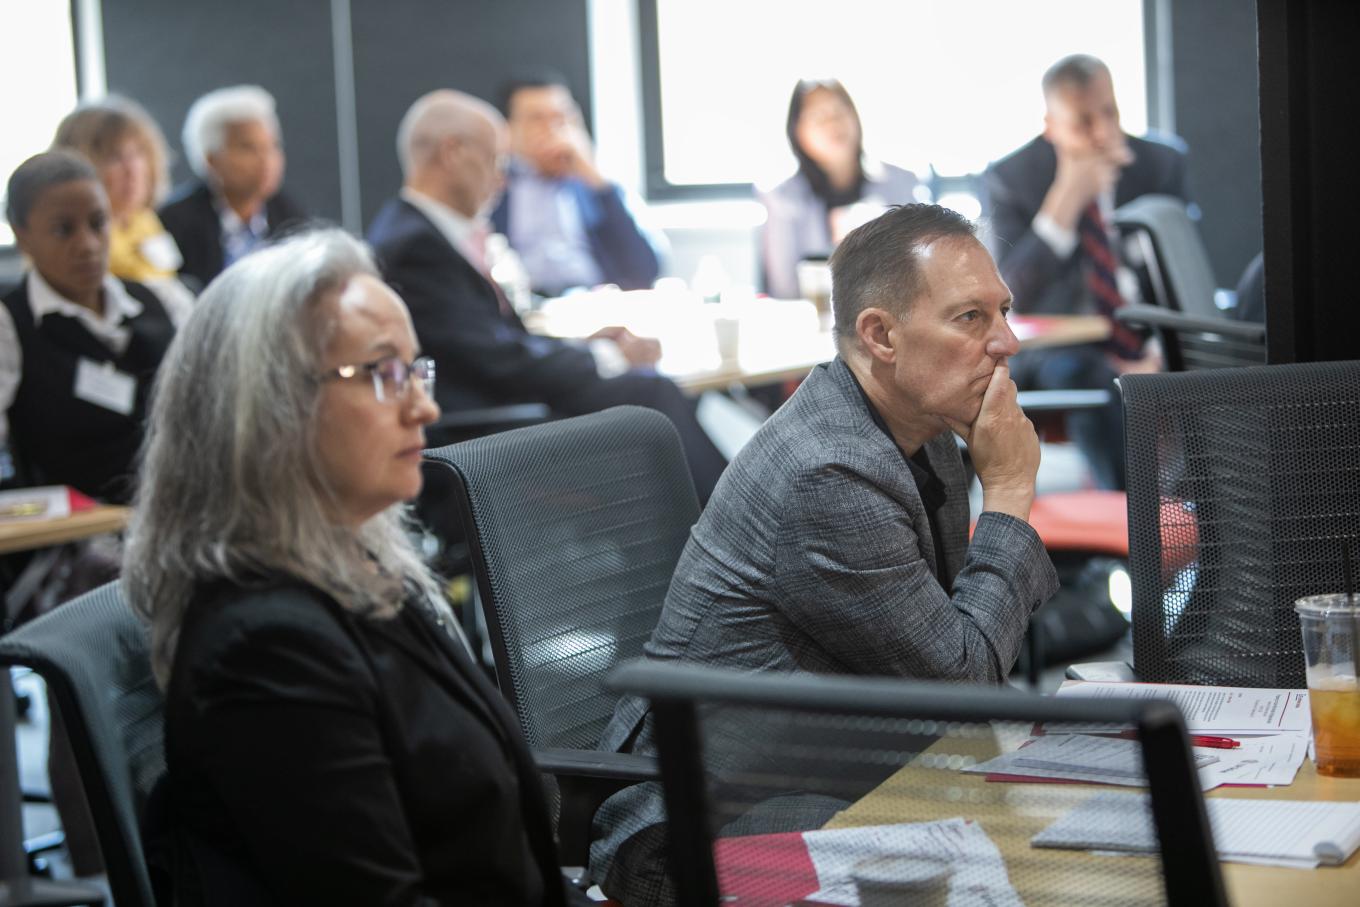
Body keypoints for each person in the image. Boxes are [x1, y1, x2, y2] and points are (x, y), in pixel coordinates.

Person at [589, 204, 1060, 902]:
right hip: (705, 833)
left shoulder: (921, 428)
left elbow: (959, 655)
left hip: (830, 772)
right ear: (881, 335)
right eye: (970, 318)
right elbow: (965, 685)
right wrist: (1013, 486)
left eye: (1004, 310)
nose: (1007, 341)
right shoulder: (831, 471)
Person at [124, 229, 586, 905]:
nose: (424, 407)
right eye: (382, 373)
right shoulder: (266, 647)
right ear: (273, 407)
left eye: (415, 370)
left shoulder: (356, 564)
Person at [366, 89, 726, 501]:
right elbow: (493, 360)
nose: (502, 178)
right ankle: (736, 530)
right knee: (651, 398)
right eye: (496, 161)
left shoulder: (425, 232)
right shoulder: (414, 247)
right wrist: (604, 359)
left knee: (652, 397)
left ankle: (722, 528)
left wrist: (586, 344)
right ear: (453, 153)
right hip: (487, 436)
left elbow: (495, 340)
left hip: (509, 409)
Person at [984, 54, 1189, 489]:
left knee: (1213, 364)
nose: (1102, 133)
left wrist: (1157, 348)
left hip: (1148, 332)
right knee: (1085, 374)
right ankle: (1132, 512)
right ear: (1050, 125)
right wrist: (1065, 201)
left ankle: (1201, 509)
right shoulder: (1012, 177)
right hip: (1065, 347)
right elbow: (1012, 293)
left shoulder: (1159, 165)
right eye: (1082, 122)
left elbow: (1180, 273)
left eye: (1109, 113)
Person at [1, 150, 178, 503]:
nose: (88, 245)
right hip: (73, 538)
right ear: (22, 236)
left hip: (178, 512)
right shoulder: (11, 325)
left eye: (98, 223)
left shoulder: (160, 300)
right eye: (63, 230)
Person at [491, 71, 665, 295]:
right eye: (537, 119)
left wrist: (598, 183)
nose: (553, 130)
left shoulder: (596, 187)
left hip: (592, 302)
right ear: (508, 129)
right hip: (522, 304)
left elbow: (644, 270)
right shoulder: (493, 185)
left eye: (562, 117)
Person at [758, 78, 925, 300]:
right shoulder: (781, 196)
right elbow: (784, 289)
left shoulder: (901, 182)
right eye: (819, 116)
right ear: (797, 131)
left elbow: (920, 270)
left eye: (839, 111)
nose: (833, 123)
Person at [52, 94, 196, 317]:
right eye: (115, 157)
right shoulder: (67, 238)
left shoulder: (144, 220)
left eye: (138, 154)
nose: (132, 170)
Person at [158, 84, 306, 288]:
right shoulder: (175, 222)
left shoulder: (290, 215)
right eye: (249, 148)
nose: (266, 160)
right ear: (211, 159)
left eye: (272, 146)